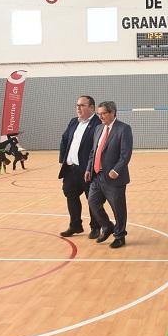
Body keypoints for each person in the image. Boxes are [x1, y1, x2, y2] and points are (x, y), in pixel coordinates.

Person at [85, 101, 133, 249]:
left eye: (103, 113)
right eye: (99, 114)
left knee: (118, 208)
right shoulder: (99, 128)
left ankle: (119, 236)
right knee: (93, 203)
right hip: (97, 176)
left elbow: (126, 154)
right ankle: (107, 226)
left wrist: (116, 170)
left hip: (114, 178)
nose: (100, 116)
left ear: (112, 112)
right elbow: (94, 152)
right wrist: (88, 169)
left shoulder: (123, 129)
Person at [58, 95, 107, 239]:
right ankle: (75, 225)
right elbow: (64, 139)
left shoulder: (99, 123)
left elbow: (99, 147)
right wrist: (62, 159)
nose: (78, 108)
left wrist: (93, 167)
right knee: (70, 196)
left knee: (92, 199)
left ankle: (95, 227)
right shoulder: (73, 122)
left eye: (82, 105)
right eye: (77, 105)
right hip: (70, 169)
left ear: (91, 107)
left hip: (87, 170)